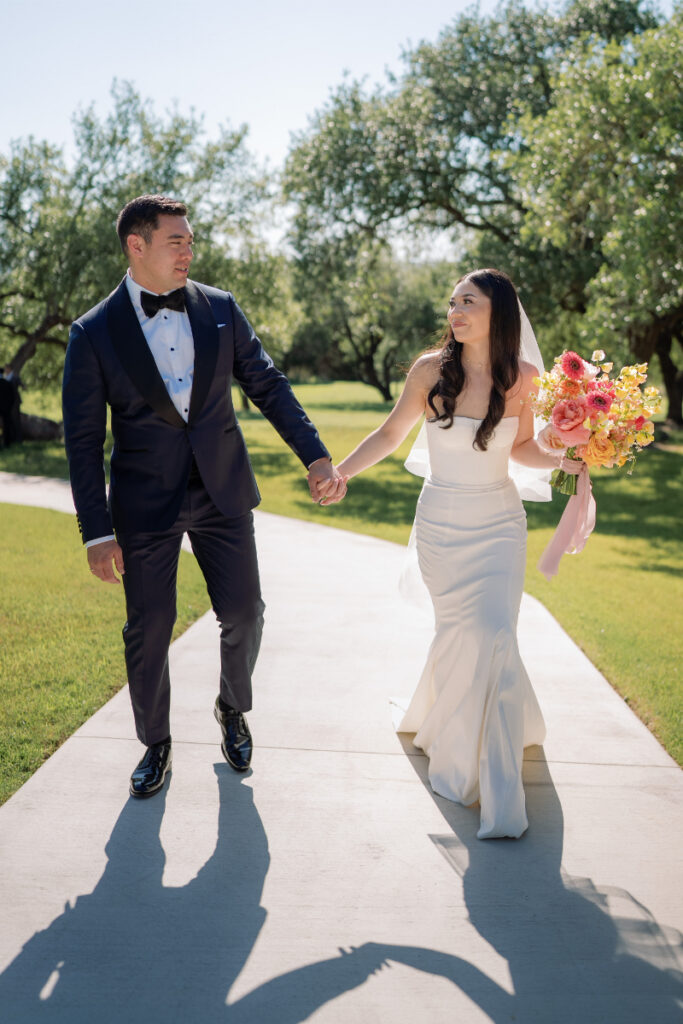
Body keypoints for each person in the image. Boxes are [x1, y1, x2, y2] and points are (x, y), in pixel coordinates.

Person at [63, 194, 345, 799]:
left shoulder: (220, 308)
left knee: (246, 613)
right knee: (150, 625)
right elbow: (83, 442)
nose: (189, 250)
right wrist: (96, 530)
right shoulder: (91, 333)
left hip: (223, 490)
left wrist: (315, 454)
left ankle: (231, 706)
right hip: (144, 503)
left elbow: (266, 383)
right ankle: (155, 743)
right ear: (136, 246)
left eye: (191, 240)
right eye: (176, 241)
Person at [332, 268, 574, 839]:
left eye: (469, 301)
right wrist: (342, 471)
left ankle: (492, 781)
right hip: (441, 524)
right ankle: (454, 732)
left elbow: (522, 450)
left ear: (499, 312)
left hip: (499, 525)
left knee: (493, 634)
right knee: (460, 635)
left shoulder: (526, 379)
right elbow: (392, 435)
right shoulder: (428, 370)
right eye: (452, 302)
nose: (455, 310)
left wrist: (568, 453)